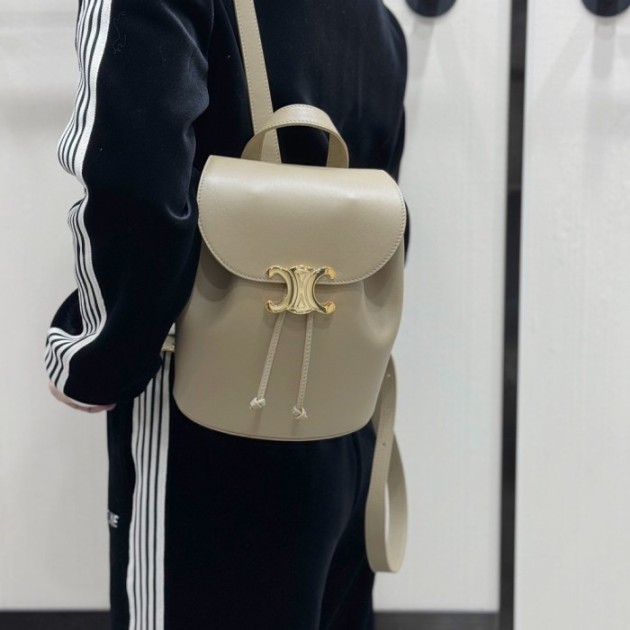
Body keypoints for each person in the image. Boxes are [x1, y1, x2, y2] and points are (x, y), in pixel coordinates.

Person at [46, 0, 410, 628]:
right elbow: (388, 227)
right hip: (344, 422)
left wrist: (94, 358)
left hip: (211, 424)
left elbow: (139, 183)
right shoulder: (380, 21)